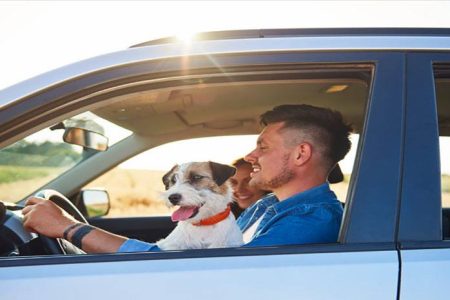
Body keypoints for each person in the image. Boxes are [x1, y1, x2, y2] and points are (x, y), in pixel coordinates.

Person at [22, 104, 352, 252]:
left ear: (301, 154)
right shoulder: (268, 208)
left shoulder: (311, 220)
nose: (251, 157)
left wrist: (67, 227)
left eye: (262, 146)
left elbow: (214, 270)